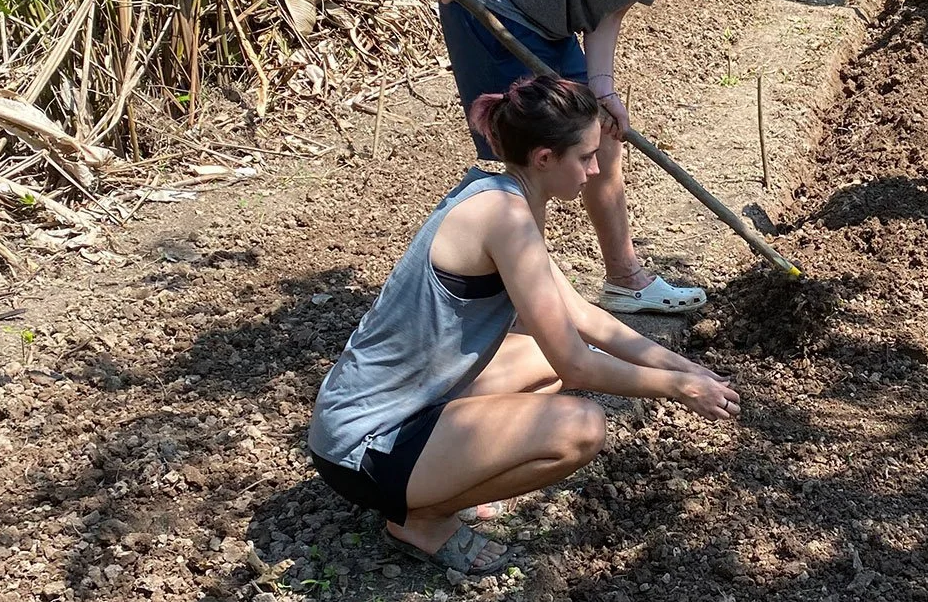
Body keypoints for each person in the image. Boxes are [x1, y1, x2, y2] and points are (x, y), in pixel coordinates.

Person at [308, 77, 741, 575]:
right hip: (363, 445)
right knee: (581, 427)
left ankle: (442, 474)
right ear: (544, 158)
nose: (594, 170)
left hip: (389, 408)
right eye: (585, 157)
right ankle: (422, 519)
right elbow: (576, 364)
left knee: (539, 360)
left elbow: (581, 315)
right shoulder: (507, 219)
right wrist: (678, 389)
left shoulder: (502, 194)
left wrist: (688, 368)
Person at [421, 0, 797, 314]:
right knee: (532, 156)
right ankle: (525, 310)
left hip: (551, 22)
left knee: (602, 132)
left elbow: (608, 7)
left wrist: (602, 88)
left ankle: (625, 280)